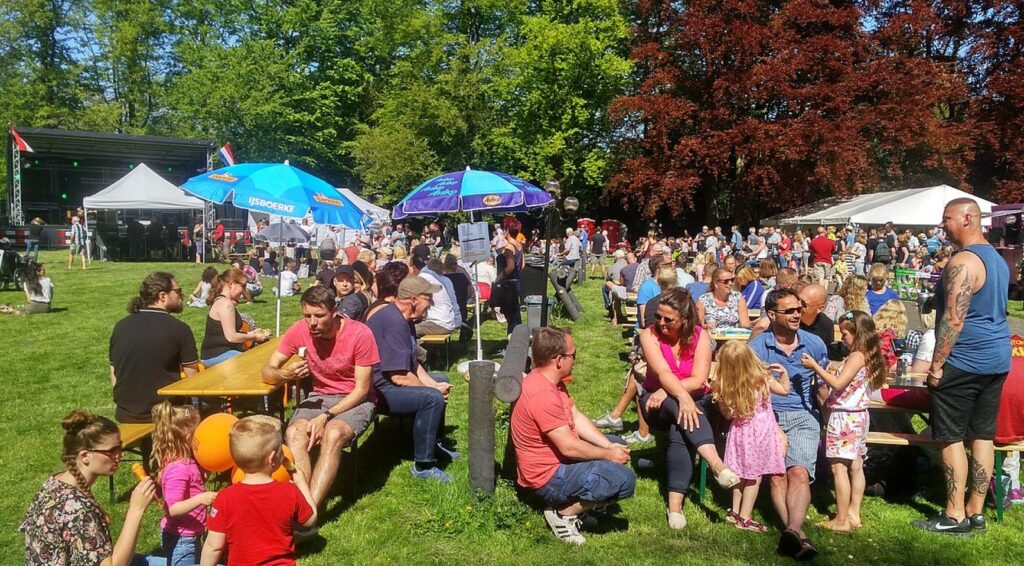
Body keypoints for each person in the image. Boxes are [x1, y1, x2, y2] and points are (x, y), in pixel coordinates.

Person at [912, 198, 1011, 535]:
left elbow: (954, 320)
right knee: (983, 435)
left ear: (968, 218)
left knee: (950, 436)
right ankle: (976, 512)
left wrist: (937, 365)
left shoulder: (964, 262)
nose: (943, 225)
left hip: (964, 360)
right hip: (996, 359)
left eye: (947, 218)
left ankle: (954, 515)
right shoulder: (996, 259)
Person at [510, 327, 636, 545]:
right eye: (573, 355)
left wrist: (608, 446)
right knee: (624, 480)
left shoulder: (549, 381)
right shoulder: (542, 395)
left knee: (616, 443)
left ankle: (583, 504)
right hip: (546, 477)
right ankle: (563, 514)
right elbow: (568, 447)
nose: (575, 360)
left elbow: (575, 416)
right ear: (559, 360)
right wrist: (608, 455)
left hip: (556, 461)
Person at [261, 286, 379, 508]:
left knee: (333, 434)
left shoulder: (360, 334)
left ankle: (309, 511)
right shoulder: (299, 331)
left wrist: (326, 416)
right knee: (294, 433)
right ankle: (302, 503)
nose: (312, 323)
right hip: (320, 396)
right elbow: (267, 371)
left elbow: (362, 390)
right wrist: (285, 375)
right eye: (307, 316)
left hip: (355, 400)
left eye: (319, 316)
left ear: (334, 312)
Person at [638, 288, 740, 529]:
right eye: (658, 317)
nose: (661, 323)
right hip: (655, 402)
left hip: (689, 401)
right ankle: (717, 464)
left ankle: (675, 507)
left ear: (684, 319)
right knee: (679, 407)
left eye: (668, 319)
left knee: (680, 429)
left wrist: (672, 392)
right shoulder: (649, 335)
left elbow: (699, 378)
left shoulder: (700, 336)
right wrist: (681, 395)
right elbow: (662, 372)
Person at [748, 288, 828, 561]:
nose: (796, 314)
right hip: (769, 416)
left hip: (804, 415)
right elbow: (750, 392)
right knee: (778, 476)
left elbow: (821, 387)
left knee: (799, 472)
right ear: (772, 315)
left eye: (798, 309)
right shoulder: (757, 348)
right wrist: (767, 423)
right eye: (789, 310)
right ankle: (798, 535)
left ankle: (792, 530)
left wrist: (829, 418)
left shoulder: (814, 344)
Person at [22, 410, 158, 565]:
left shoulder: (54, 482)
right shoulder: (77, 510)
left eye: (120, 447)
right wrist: (136, 510)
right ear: (85, 456)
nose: (121, 455)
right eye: (112, 450)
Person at [364, 276, 459, 482]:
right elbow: (399, 377)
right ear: (414, 300)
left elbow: (413, 363)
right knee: (431, 399)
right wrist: (433, 391)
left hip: (390, 382)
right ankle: (423, 466)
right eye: (428, 298)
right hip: (378, 391)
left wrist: (434, 384)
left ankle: (433, 444)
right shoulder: (394, 321)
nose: (431, 303)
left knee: (439, 379)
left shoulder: (404, 319)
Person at [802, 310, 887, 533]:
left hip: (844, 417)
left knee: (839, 467)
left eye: (845, 334)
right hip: (859, 415)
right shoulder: (867, 355)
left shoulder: (857, 356)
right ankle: (853, 513)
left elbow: (838, 384)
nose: (842, 339)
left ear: (857, 334)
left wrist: (816, 367)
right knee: (856, 465)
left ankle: (841, 520)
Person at [200, 416, 316, 566]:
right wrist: (301, 483)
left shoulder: (225, 498)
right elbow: (311, 520)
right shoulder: (289, 492)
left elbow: (213, 547)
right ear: (272, 458)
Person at [714, 341, 790, 533]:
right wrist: (784, 375)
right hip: (761, 433)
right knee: (754, 477)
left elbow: (728, 415)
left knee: (740, 474)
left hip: (740, 433)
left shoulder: (726, 385)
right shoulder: (762, 378)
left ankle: (735, 511)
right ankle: (745, 517)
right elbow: (784, 390)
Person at [110, 272, 200, 423]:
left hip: (126, 413)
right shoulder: (179, 329)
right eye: (178, 291)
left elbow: (114, 370)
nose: (182, 296)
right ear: (162, 296)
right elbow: (193, 380)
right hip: (167, 415)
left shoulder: (120, 326)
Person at [150, 402, 217, 565]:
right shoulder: (177, 470)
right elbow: (173, 508)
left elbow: (192, 485)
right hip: (181, 538)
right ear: (188, 439)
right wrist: (200, 498)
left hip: (190, 533)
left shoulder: (188, 461)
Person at [201, 268, 269, 367]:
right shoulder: (225, 304)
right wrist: (255, 337)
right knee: (256, 363)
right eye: (243, 286)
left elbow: (227, 333)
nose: (244, 290)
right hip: (217, 355)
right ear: (231, 283)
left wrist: (252, 333)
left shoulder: (222, 301)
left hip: (222, 353)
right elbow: (231, 337)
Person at [494, 217, 525, 336]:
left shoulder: (509, 247)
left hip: (508, 285)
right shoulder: (519, 245)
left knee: (510, 316)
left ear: (507, 230)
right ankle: (520, 338)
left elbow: (510, 266)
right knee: (516, 313)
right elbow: (522, 265)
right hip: (517, 282)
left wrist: (499, 277)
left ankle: (512, 341)